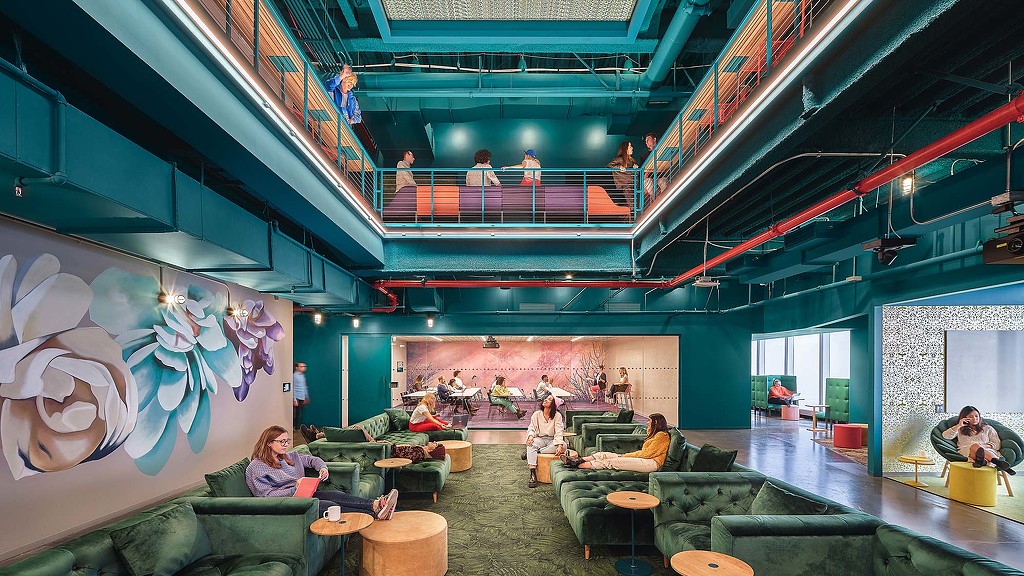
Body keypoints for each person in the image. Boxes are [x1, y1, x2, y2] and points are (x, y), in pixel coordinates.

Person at [246, 425, 398, 519]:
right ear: (268, 443)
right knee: (329, 505)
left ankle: (376, 504)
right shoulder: (256, 467)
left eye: (287, 441)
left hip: (303, 495)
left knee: (336, 495)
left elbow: (313, 460)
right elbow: (265, 496)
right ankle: (375, 514)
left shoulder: (290, 456)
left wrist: (322, 468)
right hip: (286, 503)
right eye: (282, 441)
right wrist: (295, 488)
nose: (286, 444)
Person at [569, 413, 670, 471]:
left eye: (649, 421)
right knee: (603, 454)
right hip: (644, 459)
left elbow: (647, 454)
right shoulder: (655, 435)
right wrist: (626, 455)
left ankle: (577, 466)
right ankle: (578, 460)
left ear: (656, 423)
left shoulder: (662, 436)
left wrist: (626, 455)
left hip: (651, 463)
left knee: (612, 462)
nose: (647, 422)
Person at [943, 406, 1016, 475]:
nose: (975, 418)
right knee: (975, 446)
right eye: (971, 416)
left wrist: (984, 446)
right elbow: (946, 436)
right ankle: (998, 462)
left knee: (979, 449)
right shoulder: (960, 428)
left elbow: (996, 443)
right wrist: (959, 425)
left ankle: (981, 461)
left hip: (988, 450)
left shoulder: (988, 428)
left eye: (976, 416)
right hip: (968, 451)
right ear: (964, 418)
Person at [525, 395, 566, 487]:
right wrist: (531, 436)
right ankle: (532, 474)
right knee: (531, 444)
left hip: (552, 440)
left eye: (549, 399)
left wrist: (559, 445)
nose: (545, 400)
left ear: (553, 405)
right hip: (540, 439)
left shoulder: (557, 416)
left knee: (564, 446)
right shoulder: (536, 414)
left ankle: (535, 452)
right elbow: (531, 428)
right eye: (546, 398)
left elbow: (559, 431)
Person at [606, 141, 638, 207]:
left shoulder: (632, 160)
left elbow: (635, 173)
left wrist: (636, 168)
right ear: (625, 149)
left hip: (634, 184)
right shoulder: (620, 159)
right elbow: (609, 166)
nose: (632, 148)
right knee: (632, 204)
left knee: (635, 203)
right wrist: (619, 167)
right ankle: (634, 216)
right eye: (630, 146)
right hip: (626, 185)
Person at [642, 132, 668, 197]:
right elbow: (642, 173)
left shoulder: (661, 152)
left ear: (654, 139)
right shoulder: (644, 156)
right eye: (645, 141)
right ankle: (657, 200)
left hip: (660, 177)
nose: (646, 142)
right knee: (648, 182)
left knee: (663, 181)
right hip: (649, 179)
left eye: (648, 139)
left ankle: (663, 199)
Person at [293, 362, 309, 428]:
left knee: (299, 413)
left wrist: (306, 396)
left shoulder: (302, 376)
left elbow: (304, 386)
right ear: (297, 368)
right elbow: (293, 387)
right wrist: (294, 399)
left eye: (304, 366)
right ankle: (295, 427)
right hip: (297, 397)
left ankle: (297, 427)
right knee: (296, 413)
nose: (304, 368)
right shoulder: (294, 376)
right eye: (301, 366)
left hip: (302, 397)